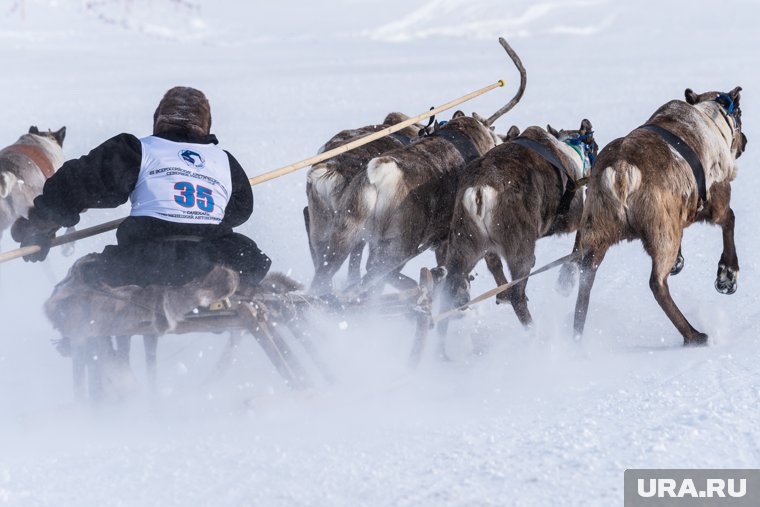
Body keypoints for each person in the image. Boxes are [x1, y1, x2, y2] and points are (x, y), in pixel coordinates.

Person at [12, 86, 271, 289]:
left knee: (81, 280)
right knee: (245, 253)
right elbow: (240, 210)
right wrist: (199, 220)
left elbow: (76, 185)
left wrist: (41, 224)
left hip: (146, 263)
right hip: (216, 262)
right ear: (207, 127)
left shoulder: (136, 151)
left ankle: (94, 352)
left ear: (158, 119)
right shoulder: (224, 161)